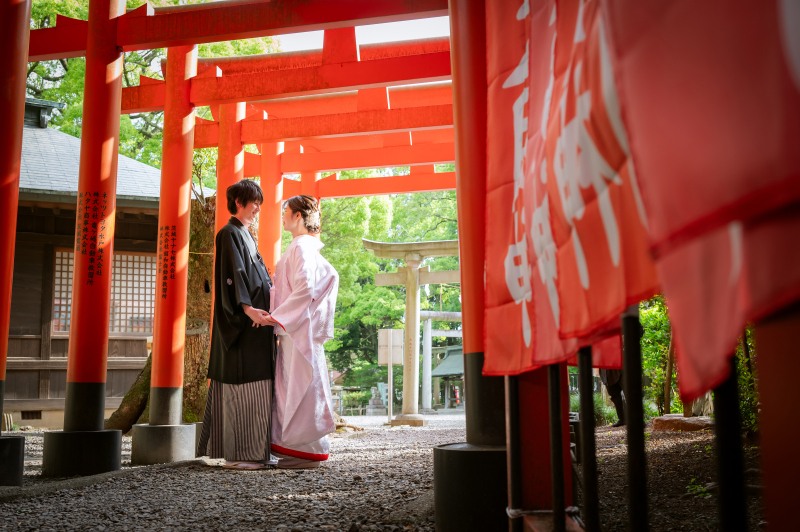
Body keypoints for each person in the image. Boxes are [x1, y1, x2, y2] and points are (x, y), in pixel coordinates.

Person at [197, 180, 277, 470]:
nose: (258, 207)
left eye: (259, 202)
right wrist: (247, 309)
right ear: (239, 201)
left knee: (258, 389)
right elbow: (233, 276)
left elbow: (261, 278)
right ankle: (240, 455)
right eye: (254, 201)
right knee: (244, 389)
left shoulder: (247, 235)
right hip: (242, 328)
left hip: (256, 327)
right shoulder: (228, 233)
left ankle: (256, 452)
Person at [264, 195, 339, 469]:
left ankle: (300, 452)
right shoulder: (305, 247)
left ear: (298, 216)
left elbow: (305, 289)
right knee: (303, 387)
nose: (283, 216)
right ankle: (303, 450)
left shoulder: (301, 247)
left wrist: (275, 316)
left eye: (286, 211)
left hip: (296, 330)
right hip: (298, 328)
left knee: (297, 388)